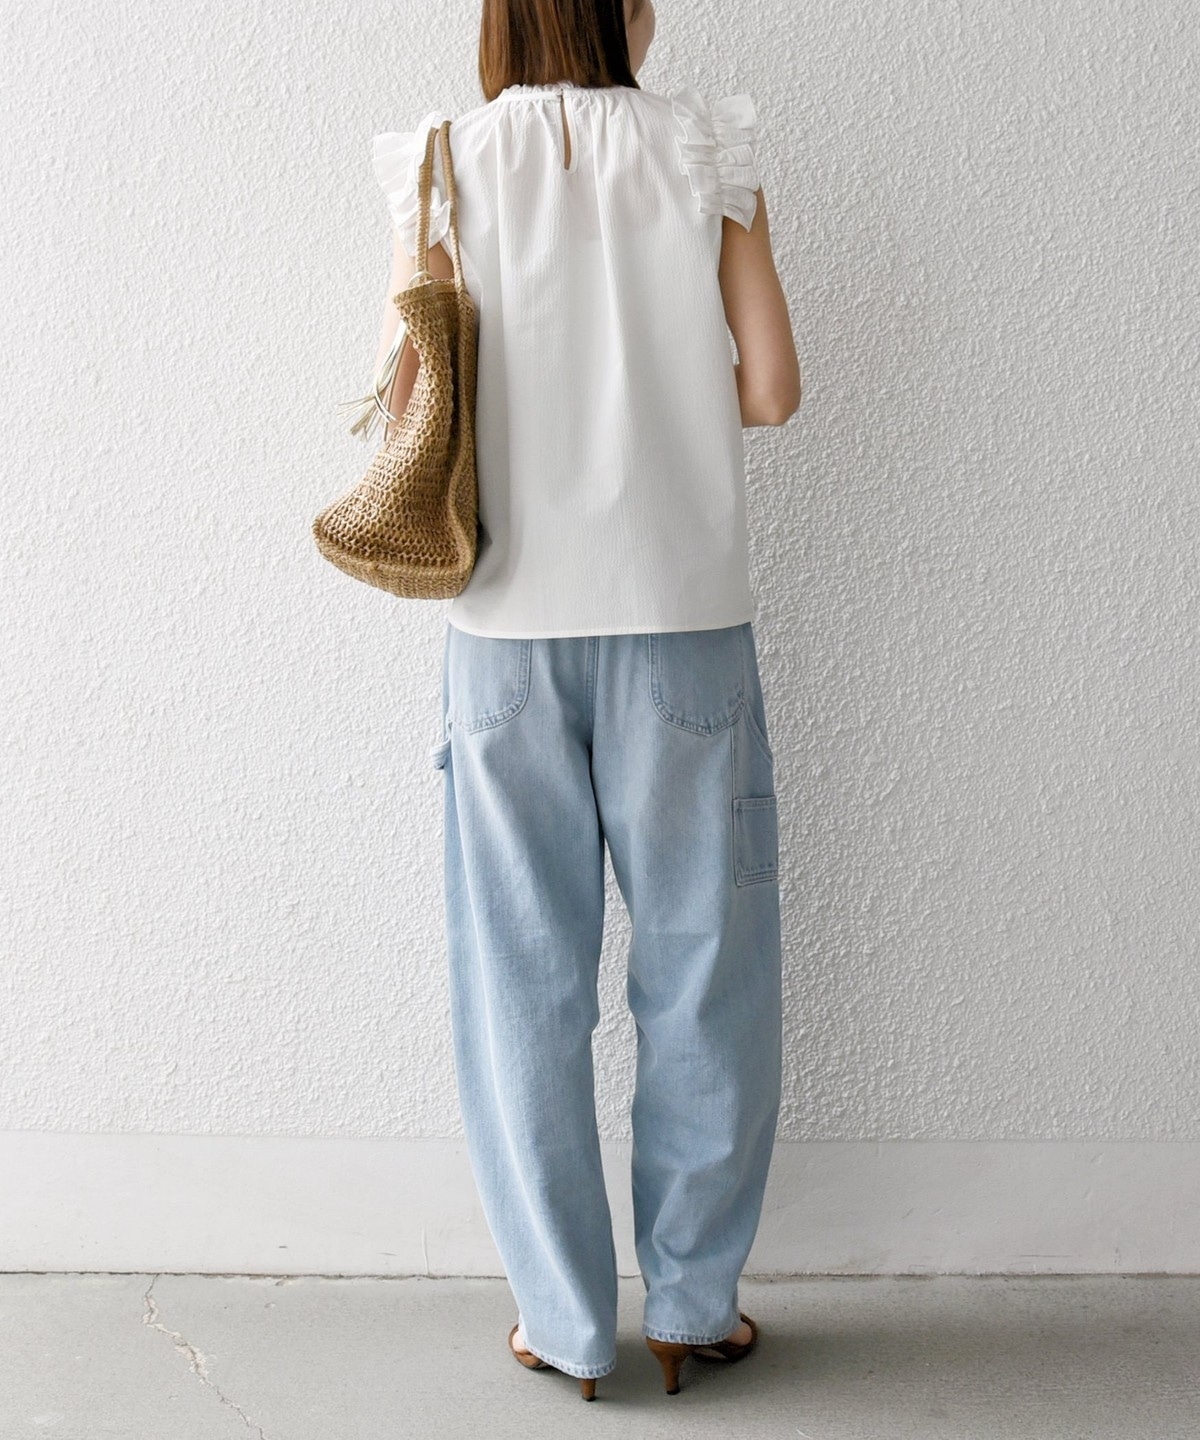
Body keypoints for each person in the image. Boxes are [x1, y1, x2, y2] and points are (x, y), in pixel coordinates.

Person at [367, 0, 801, 1403]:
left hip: (505, 627)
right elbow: (773, 391)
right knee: (706, 968)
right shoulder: (708, 148)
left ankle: (562, 1323)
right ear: (626, 12)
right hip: (682, 616)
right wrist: (658, 393)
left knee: (521, 982)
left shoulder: (439, 161)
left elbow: (416, 407)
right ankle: (691, 1307)